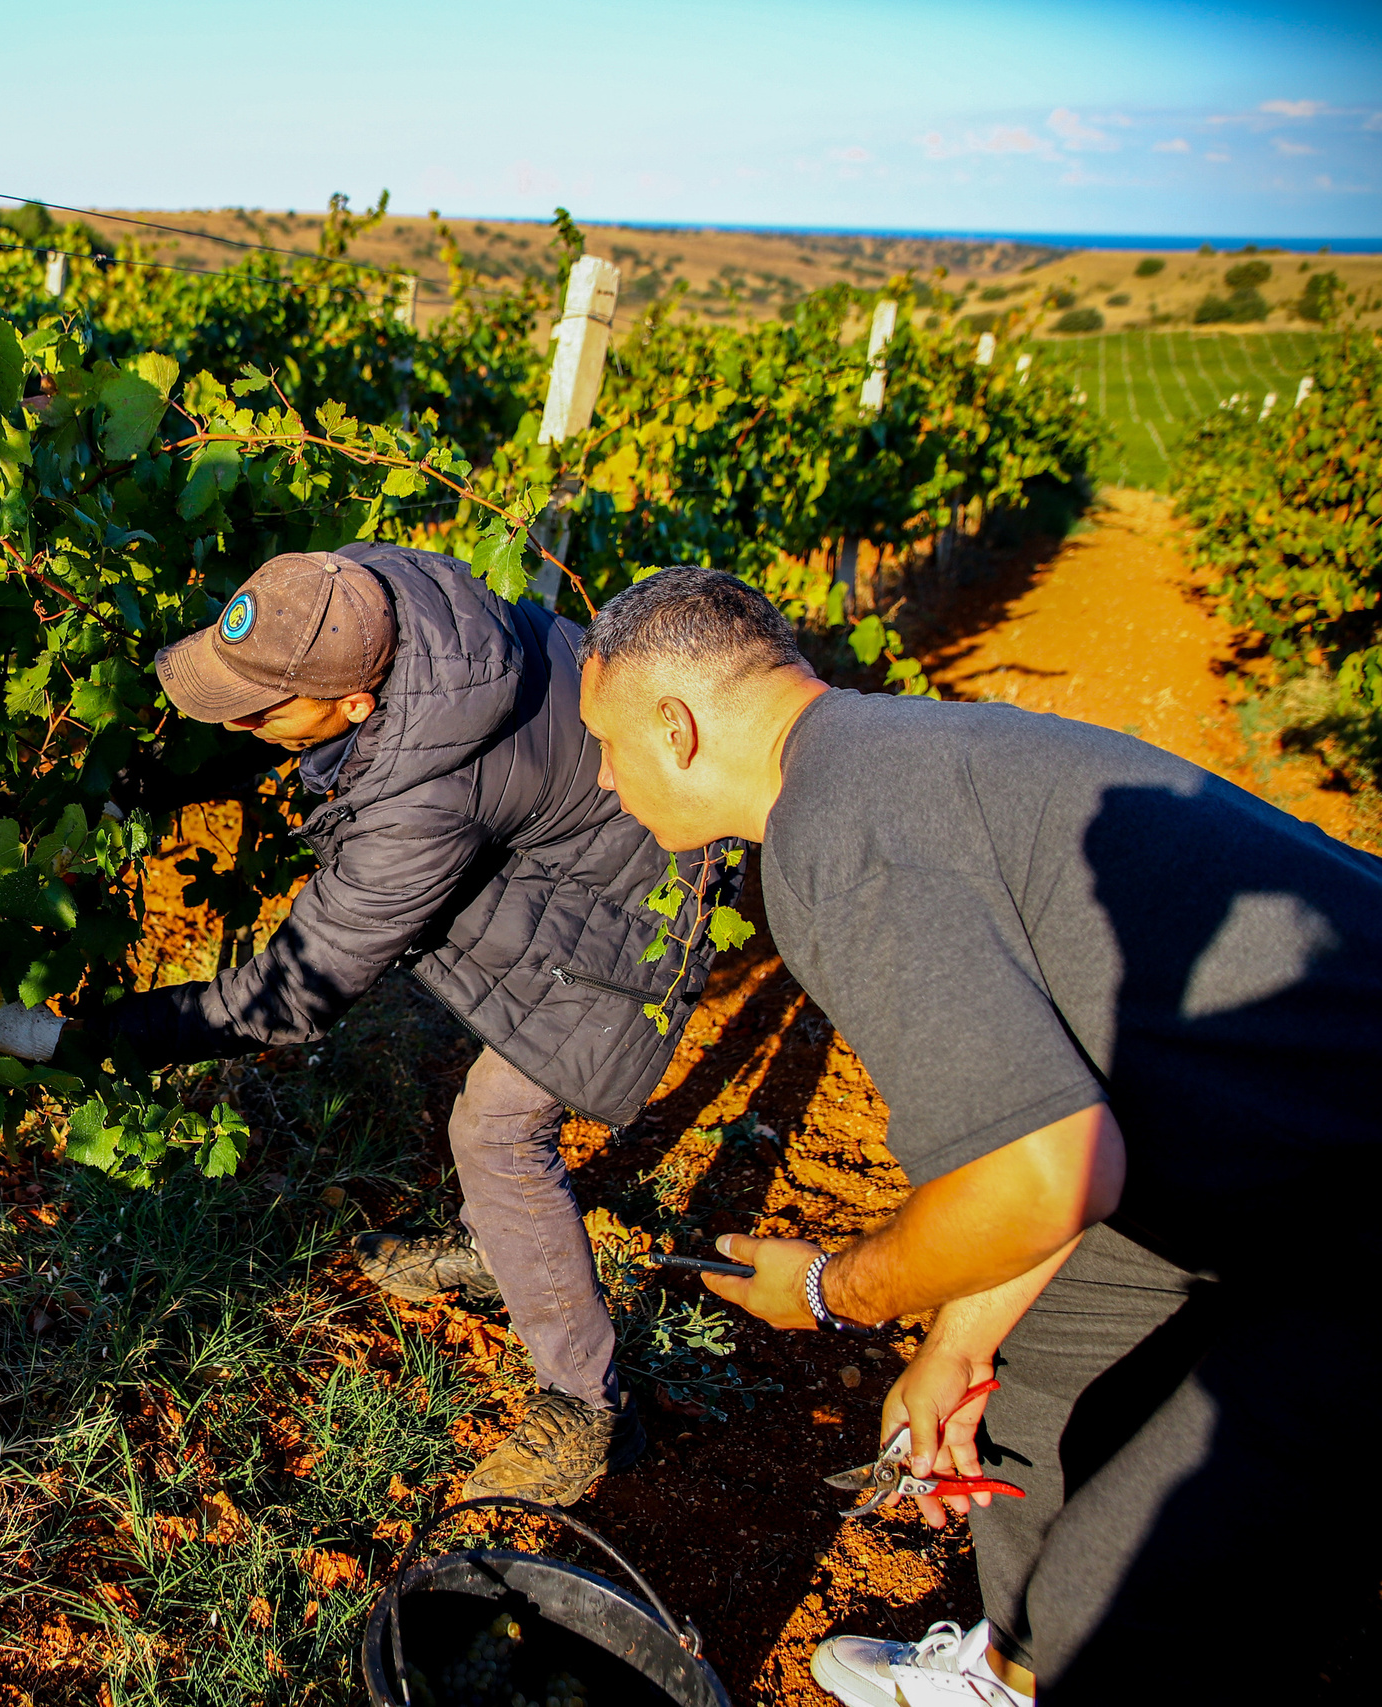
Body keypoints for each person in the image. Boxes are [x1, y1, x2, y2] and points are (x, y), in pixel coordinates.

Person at [573, 565, 1381, 1702]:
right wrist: (957, 1341)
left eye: (606, 745)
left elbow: (1040, 1175)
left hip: (1349, 1211)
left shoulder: (834, 837)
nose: (603, 779)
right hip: (1292, 1142)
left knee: (1137, 1587)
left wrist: (832, 1292)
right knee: (1040, 1360)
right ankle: (1012, 1671)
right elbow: (1054, 1100)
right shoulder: (888, 756)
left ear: (677, 726)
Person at [0, 544, 745, 1504]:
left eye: (261, 711)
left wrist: (75, 1041)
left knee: (498, 1131)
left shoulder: (422, 803)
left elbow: (290, 993)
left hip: (647, 884)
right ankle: (499, 1247)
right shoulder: (359, 593)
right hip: (573, 829)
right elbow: (271, 709)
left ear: (355, 706)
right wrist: (133, 790)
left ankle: (587, 1407)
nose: (242, 722)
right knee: (490, 1084)